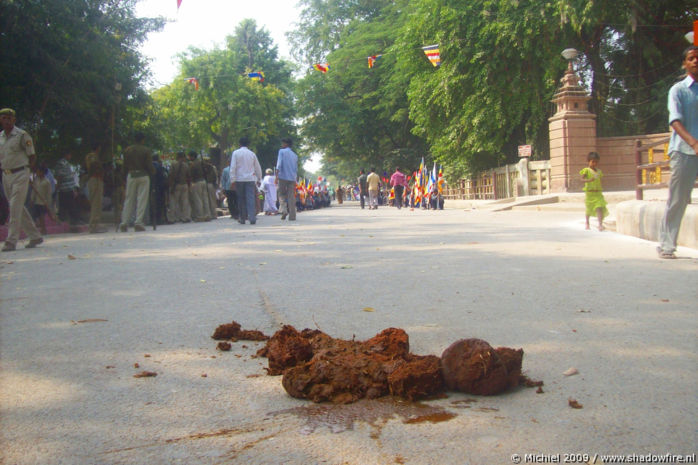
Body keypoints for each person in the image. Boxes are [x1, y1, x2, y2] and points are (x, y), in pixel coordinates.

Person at [657, 45, 698, 259]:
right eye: (691, 58)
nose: (695, 61)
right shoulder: (678, 90)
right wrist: (693, 143)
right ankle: (666, 244)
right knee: (679, 199)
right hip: (684, 152)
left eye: (697, 58)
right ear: (685, 63)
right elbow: (675, 120)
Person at [0, 108, 43, 251]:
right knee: (18, 207)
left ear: (14, 120)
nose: (6, 121)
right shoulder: (1, 137)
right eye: (3, 118)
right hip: (6, 175)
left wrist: (28, 173)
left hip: (21, 173)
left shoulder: (22, 135)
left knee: (14, 207)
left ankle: (11, 241)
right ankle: (35, 235)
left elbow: (32, 156)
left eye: (9, 118)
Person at [119, 132, 155, 232]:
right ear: (143, 140)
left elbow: (124, 166)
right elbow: (149, 165)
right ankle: (138, 222)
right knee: (142, 199)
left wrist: (122, 177)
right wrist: (153, 172)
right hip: (143, 175)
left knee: (129, 199)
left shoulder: (127, 150)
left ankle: (124, 222)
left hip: (131, 175)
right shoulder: (146, 150)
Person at [230, 137, 262, 225]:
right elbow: (257, 167)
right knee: (250, 198)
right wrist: (259, 178)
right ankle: (252, 217)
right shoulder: (252, 154)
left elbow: (233, 167)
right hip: (250, 179)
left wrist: (232, 180)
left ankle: (242, 218)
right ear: (248, 144)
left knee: (241, 198)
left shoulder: (236, 153)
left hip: (239, 179)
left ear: (239, 144)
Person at [579, 152, 608, 231]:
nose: (594, 163)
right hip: (590, 193)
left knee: (599, 207)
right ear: (588, 161)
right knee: (589, 208)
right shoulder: (586, 170)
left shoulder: (599, 171)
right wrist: (588, 180)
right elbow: (581, 179)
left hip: (598, 192)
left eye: (596, 162)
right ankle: (587, 222)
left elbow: (600, 180)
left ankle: (600, 224)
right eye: (593, 162)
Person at [54, 151, 82, 229]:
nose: (70, 156)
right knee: (68, 206)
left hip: (67, 188)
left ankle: (68, 222)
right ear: (66, 155)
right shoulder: (62, 164)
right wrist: (58, 186)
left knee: (66, 206)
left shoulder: (65, 163)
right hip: (65, 188)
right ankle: (70, 222)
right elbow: (60, 176)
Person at [84, 142, 107, 233]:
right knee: (96, 203)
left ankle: (94, 224)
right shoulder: (93, 156)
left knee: (96, 202)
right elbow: (93, 166)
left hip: (94, 179)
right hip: (95, 179)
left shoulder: (90, 156)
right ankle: (94, 225)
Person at [275, 137, 298, 221]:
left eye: (283, 143)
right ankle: (292, 215)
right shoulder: (295, 155)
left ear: (286, 144)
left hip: (283, 176)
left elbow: (279, 163)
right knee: (291, 196)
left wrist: (276, 175)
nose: (282, 145)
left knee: (281, 194)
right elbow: (296, 169)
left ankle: (284, 210)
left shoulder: (281, 151)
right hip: (292, 178)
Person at [30, 165, 54, 235]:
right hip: (37, 201)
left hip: (43, 202)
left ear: (42, 172)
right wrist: (32, 199)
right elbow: (34, 191)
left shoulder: (47, 182)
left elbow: (49, 194)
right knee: (37, 216)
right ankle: (42, 229)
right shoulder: (36, 180)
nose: (37, 173)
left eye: (38, 172)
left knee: (42, 216)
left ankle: (44, 230)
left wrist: (48, 203)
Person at [169, 151, 191, 223]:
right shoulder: (186, 165)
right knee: (185, 202)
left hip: (176, 185)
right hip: (184, 185)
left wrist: (171, 185)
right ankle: (185, 217)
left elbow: (170, 175)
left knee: (174, 202)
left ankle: (173, 218)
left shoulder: (173, 164)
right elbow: (188, 176)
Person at [187, 151, 208, 222]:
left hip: (197, 182)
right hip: (204, 181)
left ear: (192, 156)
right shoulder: (202, 163)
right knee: (205, 199)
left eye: (189, 156)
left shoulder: (193, 164)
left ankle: (200, 216)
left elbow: (190, 174)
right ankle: (207, 215)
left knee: (198, 199)